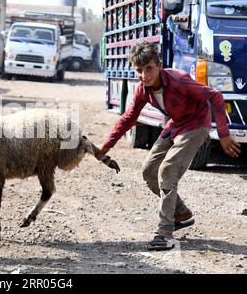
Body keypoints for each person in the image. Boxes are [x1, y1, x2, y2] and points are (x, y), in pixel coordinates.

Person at [96, 41, 241, 251]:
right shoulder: (142, 89)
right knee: (149, 171)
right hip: (176, 124)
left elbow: (215, 96)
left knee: (168, 169)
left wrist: (224, 134)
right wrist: (106, 146)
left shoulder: (178, 80)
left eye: (149, 69)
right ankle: (181, 213)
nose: (145, 75)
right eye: (139, 71)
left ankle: (164, 233)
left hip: (196, 123)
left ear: (159, 65)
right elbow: (129, 117)